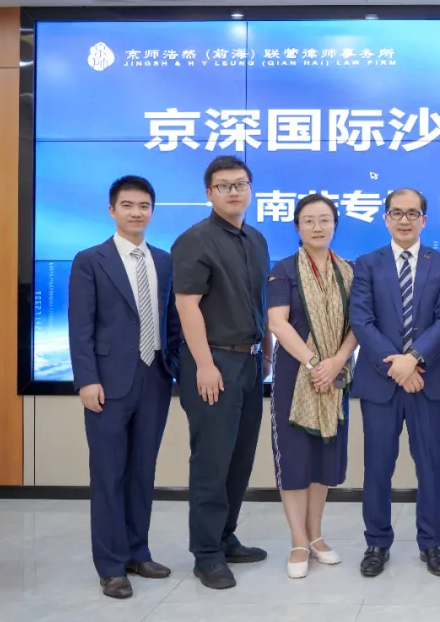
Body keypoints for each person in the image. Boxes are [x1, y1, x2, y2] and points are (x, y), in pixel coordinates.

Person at [68, 175, 180, 600]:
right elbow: (80, 326)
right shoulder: (90, 260)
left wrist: (175, 368)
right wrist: (87, 379)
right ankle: (111, 566)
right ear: (112, 210)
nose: (137, 212)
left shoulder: (164, 261)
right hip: (107, 383)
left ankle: (137, 552)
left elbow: (172, 322)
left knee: (142, 471)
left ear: (152, 211)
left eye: (144, 205)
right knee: (108, 474)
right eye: (128, 205)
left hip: (154, 378)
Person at [349, 188, 440, 578]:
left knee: (430, 465)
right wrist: (396, 365)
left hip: (427, 380)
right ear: (385, 219)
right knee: (377, 466)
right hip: (381, 383)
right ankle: (376, 542)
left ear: (424, 220)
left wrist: (414, 359)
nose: (404, 220)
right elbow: (361, 321)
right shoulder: (367, 263)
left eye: (413, 213)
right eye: (396, 213)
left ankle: (431, 543)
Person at [171, 155, 270, 590]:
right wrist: (205, 365)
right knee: (211, 460)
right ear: (209, 193)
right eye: (224, 185)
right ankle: (206, 554)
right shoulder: (194, 240)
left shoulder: (256, 239)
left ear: (250, 189)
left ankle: (226, 537)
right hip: (213, 361)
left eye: (241, 184)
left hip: (250, 361)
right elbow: (187, 305)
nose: (234, 191)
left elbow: (258, 301)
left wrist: (266, 350)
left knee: (240, 457)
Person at [267, 194, 358, 579]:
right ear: (297, 226)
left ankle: (317, 535)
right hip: (296, 376)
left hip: (334, 376)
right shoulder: (284, 269)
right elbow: (278, 323)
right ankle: (298, 541)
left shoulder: (349, 271)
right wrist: (313, 363)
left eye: (324, 220)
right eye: (309, 220)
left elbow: (359, 324)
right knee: (295, 459)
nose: (317, 227)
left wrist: (336, 361)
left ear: (335, 224)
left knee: (323, 458)